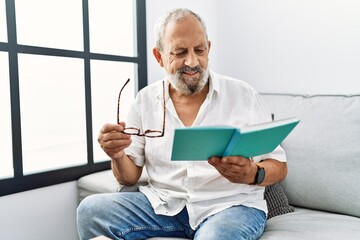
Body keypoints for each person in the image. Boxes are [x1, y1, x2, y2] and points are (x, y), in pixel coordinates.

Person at [77, 8, 287, 240]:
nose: (192, 62)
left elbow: (279, 167)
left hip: (230, 207)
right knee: (90, 211)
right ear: (159, 56)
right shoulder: (144, 101)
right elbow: (128, 178)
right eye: (179, 52)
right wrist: (116, 154)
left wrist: (252, 174)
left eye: (199, 50)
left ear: (209, 48)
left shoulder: (243, 95)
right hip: (164, 206)